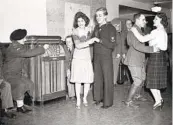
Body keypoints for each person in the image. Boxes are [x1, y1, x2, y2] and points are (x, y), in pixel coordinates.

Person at [3, 29, 47, 113]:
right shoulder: (14, 47)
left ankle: (22, 102)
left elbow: (27, 52)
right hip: (9, 75)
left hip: (17, 74)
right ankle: (20, 106)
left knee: (30, 83)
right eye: (23, 38)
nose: (25, 40)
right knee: (21, 84)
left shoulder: (20, 46)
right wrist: (43, 48)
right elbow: (27, 53)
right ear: (18, 39)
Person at [130, 12, 168, 110]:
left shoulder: (156, 31)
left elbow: (142, 40)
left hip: (155, 57)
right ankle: (159, 99)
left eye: (155, 19)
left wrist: (134, 30)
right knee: (155, 82)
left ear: (160, 21)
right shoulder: (163, 31)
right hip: (162, 57)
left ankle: (158, 101)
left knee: (151, 82)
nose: (153, 20)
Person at [123, 13, 159, 108]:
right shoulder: (133, 31)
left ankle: (137, 95)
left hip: (140, 59)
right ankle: (128, 101)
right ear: (137, 20)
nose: (145, 21)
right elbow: (137, 46)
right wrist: (152, 49)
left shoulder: (139, 31)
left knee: (142, 78)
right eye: (143, 19)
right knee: (137, 80)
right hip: (134, 60)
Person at [70, 12, 99, 109]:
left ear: (85, 21)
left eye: (82, 20)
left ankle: (85, 98)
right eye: (78, 21)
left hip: (87, 58)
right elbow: (78, 45)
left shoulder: (89, 30)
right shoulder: (74, 31)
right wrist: (90, 41)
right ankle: (78, 99)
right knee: (78, 80)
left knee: (87, 80)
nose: (80, 23)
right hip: (78, 58)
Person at [92, 7, 117, 109]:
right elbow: (91, 40)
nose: (98, 17)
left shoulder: (111, 28)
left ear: (105, 16)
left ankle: (108, 102)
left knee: (107, 79)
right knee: (97, 78)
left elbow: (112, 45)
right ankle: (98, 99)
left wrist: (100, 40)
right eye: (97, 15)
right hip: (96, 56)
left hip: (106, 57)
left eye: (100, 15)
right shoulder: (96, 28)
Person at [63, 35, 75, 100]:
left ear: (73, 42)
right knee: (69, 75)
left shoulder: (76, 48)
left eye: (69, 42)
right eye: (66, 42)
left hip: (75, 66)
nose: (67, 43)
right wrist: (67, 69)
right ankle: (72, 95)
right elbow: (64, 61)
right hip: (66, 67)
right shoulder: (63, 48)